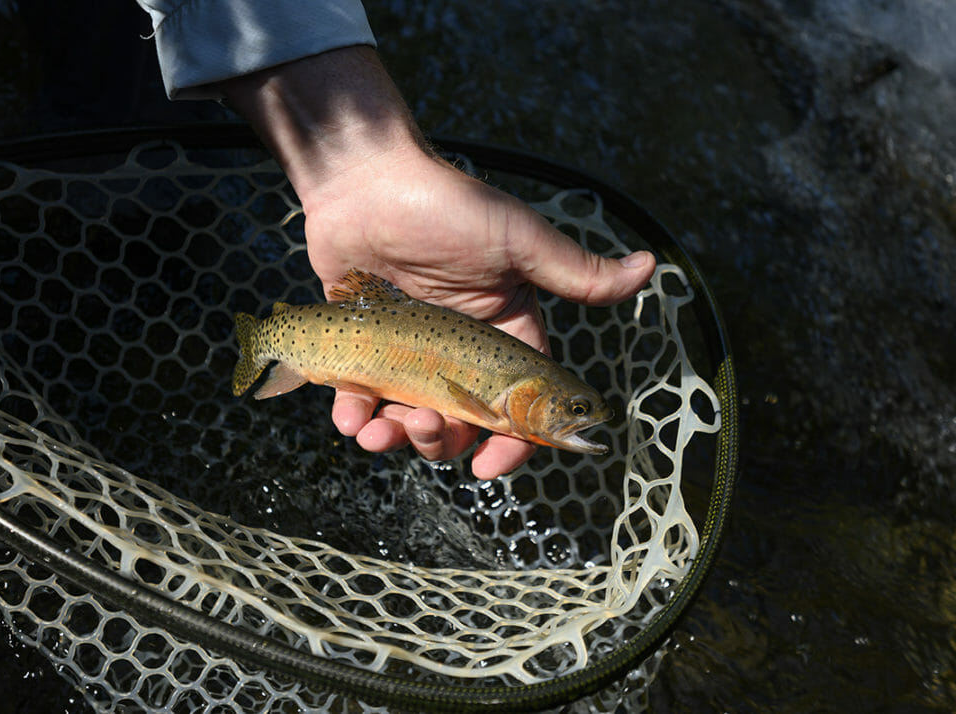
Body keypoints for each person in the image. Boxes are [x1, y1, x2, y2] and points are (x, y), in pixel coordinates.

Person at [135, 1, 656, 479]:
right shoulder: (502, 395)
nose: (581, 417)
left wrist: (359, 175)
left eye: (578, 410)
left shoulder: (509, 391)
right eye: (575, 409)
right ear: (535, 394)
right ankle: (265, 337)